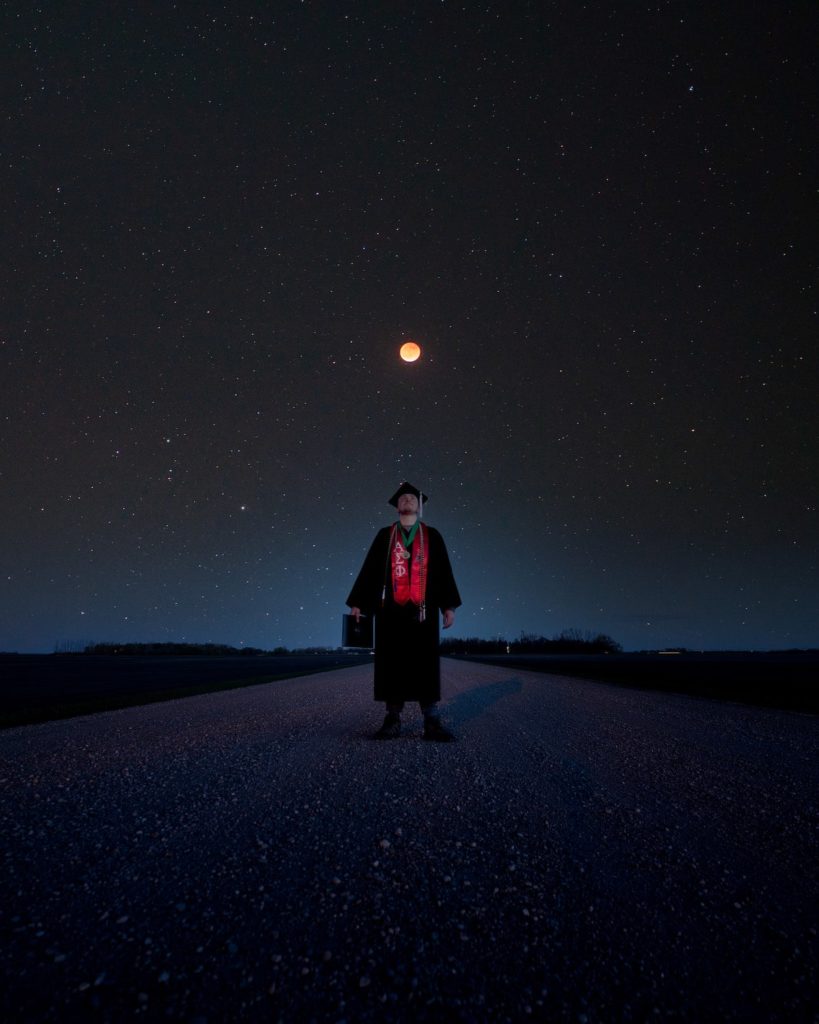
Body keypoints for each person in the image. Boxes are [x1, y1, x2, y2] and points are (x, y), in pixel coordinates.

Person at [347, 482, 461, 741]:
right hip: (390, 613)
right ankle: (392, 720)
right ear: (397, 506)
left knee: (425, 664)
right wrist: (359, 602)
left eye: (412, 497)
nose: (408, 500)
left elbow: (444, 572)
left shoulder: (432, 535)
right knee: (392, 664)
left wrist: (449, 606)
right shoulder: (384, 536)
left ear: (419, 506)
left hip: (423, 611)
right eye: (403, 498)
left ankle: (431, 721)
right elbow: (370, 571)